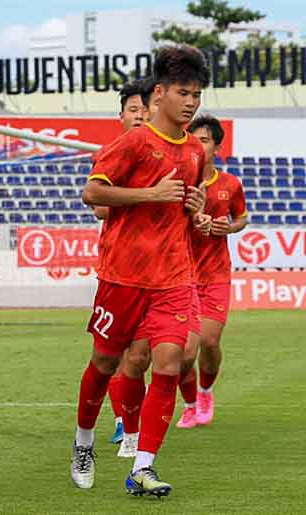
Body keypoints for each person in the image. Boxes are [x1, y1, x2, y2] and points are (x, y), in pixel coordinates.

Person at [73, 44, 210, 497]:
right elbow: (92, 193)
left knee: (168, 364)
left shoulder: (194, 149)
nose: (191, 102)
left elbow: (192, 202)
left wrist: (196, 206)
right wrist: (150, 195)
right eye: (184, 93)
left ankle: (144, 466)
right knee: (104, 363)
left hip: (173, 277)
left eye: (197, 94)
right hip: (121, 277)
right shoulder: (132, 142)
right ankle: (84, 440)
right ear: (160, 93)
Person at [176, 114, 247, 429]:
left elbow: (242, 218)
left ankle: (205, 391)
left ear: (217, 146)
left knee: (208, 341)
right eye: (194, 138)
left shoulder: (230, 184)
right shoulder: (179, 181)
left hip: (215, 275)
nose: (198, 144)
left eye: (204, 139)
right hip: (181, 275)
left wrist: (227, 227)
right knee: (183, 355)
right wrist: (193, 221)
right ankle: (190, 404)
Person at [90, 79, 150, 446]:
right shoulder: (111, 153)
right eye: (133, 110)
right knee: (114, 351)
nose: (140, 116)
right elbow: (98, 206)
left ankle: (132, 420)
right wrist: (148, 196)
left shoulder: (167, 153)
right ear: (121, 117)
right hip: (117, 268)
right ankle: (121, 420)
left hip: (160, 271)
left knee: (141, 355)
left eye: (145, 110)